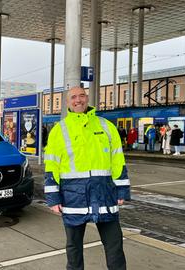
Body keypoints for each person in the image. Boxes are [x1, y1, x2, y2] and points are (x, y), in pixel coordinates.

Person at [44, 86, 130, 270]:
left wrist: (122, 189)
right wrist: (53, 198)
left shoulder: (106, 126)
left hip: (104, 194)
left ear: (87, 98)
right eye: (73, 97)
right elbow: (51, 167)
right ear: (67, 103)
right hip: (73, 197)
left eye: (81, 96)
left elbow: (118, 161)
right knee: (73, 247)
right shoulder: (59, 131)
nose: (78, 100)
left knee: (115, 245)